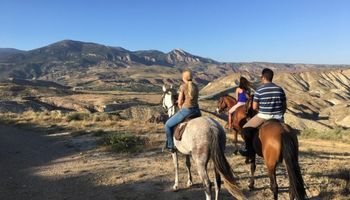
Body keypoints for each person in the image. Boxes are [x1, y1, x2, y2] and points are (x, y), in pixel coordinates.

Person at [239, 68, 287, 163]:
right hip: (279, 117)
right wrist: (279, 114)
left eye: (261, 77)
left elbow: (254, 107)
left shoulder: (260, 90)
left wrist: (261, 110)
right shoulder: (280, 89)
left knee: (245, 128)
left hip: (263, 116)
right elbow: (284, 106)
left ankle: (249, 151)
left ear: (264, 77)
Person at [164, 69, 201, 152]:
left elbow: (180, 102)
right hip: (197, 111)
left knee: (167, 125)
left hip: (186, 111)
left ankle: (170, 146)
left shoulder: (183, 86)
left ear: (184, 78)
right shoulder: (196, 86)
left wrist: (180, 105)